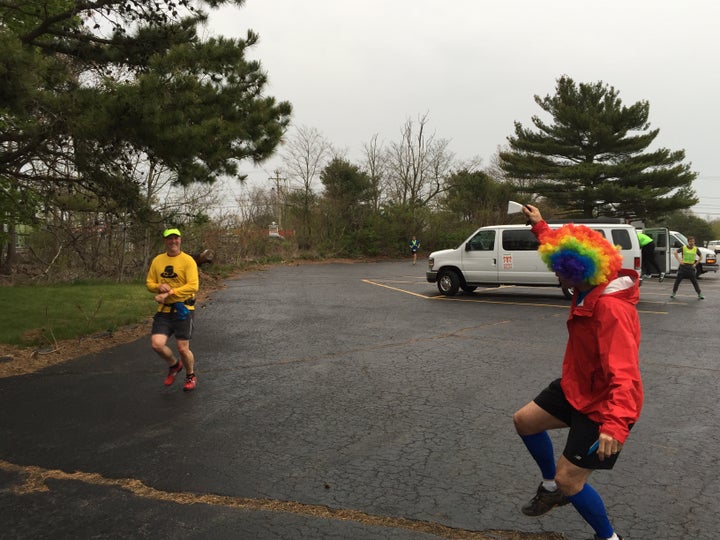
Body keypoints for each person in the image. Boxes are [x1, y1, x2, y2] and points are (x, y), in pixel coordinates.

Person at [512, 204, 643, 540]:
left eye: (560, 270)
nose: (557, 275)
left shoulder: (611, 310)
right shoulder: (586, 285)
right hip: (577, 386)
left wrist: (614, 425)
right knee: (525, 421)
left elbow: (626, 375)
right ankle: (550, 486)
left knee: (572, 479)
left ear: (579, 270)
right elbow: (560, 242)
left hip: (604, 404)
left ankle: (608, 537)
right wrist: (539, 225)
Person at [146, 228, 200, 391]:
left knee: (183, 348)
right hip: (164, 310)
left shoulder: (188, 261)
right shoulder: (158, 261)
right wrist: (158, 286)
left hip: (184, 308)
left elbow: (193, 286)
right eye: (169, 238)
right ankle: (174, 365)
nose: (173, 241)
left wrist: (169, 293)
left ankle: (190, 375)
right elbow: (149, 283)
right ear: (165, 241)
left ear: (180, 240)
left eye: (176, 238)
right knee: (157, 344)